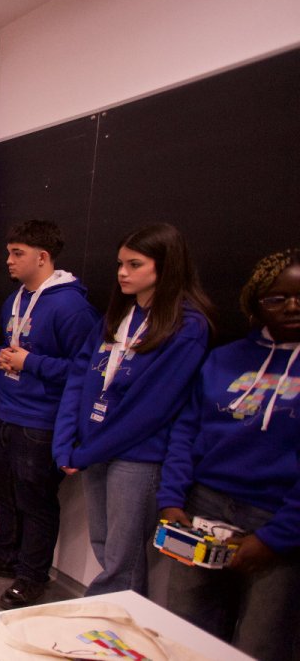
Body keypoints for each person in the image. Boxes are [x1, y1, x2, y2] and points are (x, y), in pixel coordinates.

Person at [53, 222, 213, 596]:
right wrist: (65, 443)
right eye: (121, 264)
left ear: (166, 267)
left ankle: (102, 630)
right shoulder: (119, 315)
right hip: (92, 449)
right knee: (105, 544)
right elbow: (79, 374)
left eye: (135, 264)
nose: (123, 272)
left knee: (122, 559)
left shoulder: (188, 326)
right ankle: (109, 631)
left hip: (136, 456)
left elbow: (151, 409)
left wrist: (86, 451)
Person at [157, 249, 300, 661]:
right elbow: (186, 430)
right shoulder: (225, 358)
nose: (291, 307)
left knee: (262, 641)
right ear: (255, 302)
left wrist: (276, 538)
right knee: (185, 629)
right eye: (277, 298)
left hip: (277, 522)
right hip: (204, 508)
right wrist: (171, 500)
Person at [0, 221, 99, 609]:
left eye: (17, 253)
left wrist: (31, 362)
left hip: (41, 420)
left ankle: (31, 575)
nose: (8, 261)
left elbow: (85, 370)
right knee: (2, 491)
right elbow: (15, 346)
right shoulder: (15, 300)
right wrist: (7, 358)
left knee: (35, 500)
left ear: (43, 257)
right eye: (8, 252)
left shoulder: (72, 306)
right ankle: (5, 554)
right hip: (4, 410)